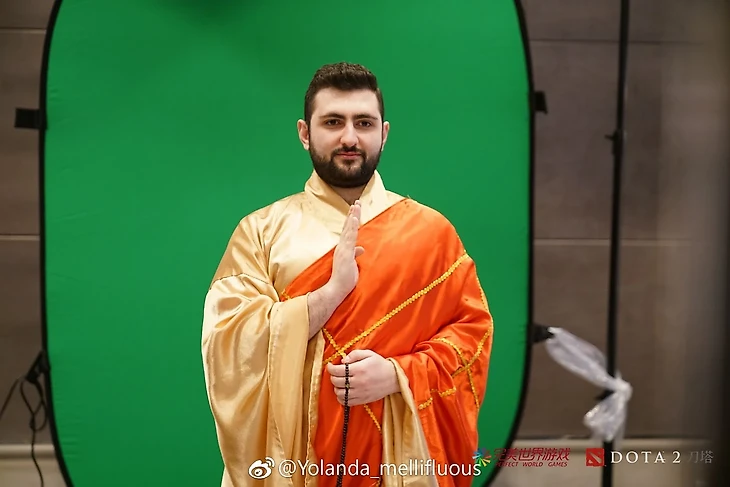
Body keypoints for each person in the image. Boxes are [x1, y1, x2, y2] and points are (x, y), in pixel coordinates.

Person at [201, 62, 494, 487]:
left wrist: (398, 375)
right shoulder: (260, 232)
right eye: (333, 122)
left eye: (364, 123)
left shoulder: (431, 234)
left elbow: (471, 336)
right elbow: (229, 344)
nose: (350, 138)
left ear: (384, 133)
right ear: (305, 133)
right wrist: (329, 294)